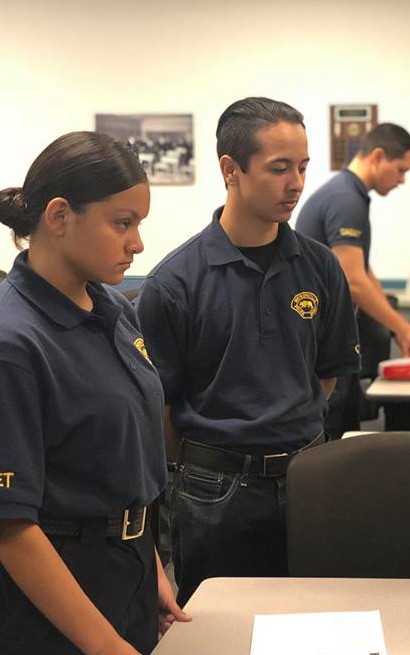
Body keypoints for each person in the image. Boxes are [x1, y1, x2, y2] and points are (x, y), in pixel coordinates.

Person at [0, 132, 188, 655]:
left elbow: (120, 462)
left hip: (127, 567)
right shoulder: (6, 343)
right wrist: (105, 645)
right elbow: (7, 524)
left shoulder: (114, 309)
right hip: (48, 600)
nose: (137, 243)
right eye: (122, 223)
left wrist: (149, 563)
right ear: (60, 216)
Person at [135, 97, 360, 605]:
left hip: (309, 479)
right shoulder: (175, 282)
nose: (296, 183)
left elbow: (326, 375)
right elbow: (159, 408)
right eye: (279, 168)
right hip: (214, 490)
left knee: (314, 618)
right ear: (230, 170)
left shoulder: (320, 267)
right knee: (220, 627)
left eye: (302, 167)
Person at [295, 123, 410, 437]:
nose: (402, 180)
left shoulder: (350, 194)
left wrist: (397, 327)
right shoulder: (345, 199)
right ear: (378, 156)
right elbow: (353, 280)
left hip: (331, 337)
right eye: (401, 170)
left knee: (348, 430)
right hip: (321, 341)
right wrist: (405, 329)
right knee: (333, 436)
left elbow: (364, 271)